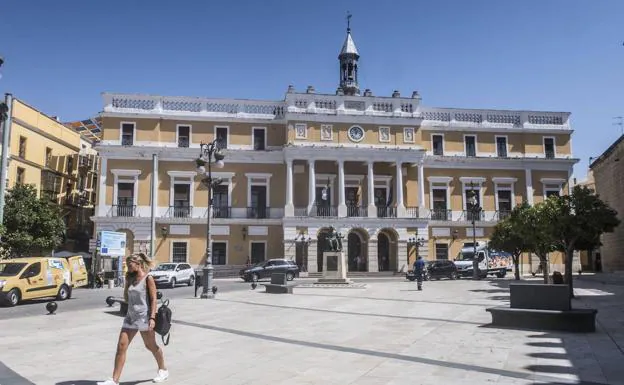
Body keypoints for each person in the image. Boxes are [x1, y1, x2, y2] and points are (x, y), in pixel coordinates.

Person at [98, 253, 169, 385]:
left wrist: (152, 318)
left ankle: (163, 369)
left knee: (150, 346)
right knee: (121, 346)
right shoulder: (130, 278)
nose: (128, 268)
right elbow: (127, 298)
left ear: (138, 264)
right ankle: (114, 380)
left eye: (130, 265)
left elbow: (154, 300)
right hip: (130, 318)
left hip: (144, 318)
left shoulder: (148, 278)